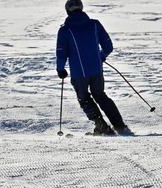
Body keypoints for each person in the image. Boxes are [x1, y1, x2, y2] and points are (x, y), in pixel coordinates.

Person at [56, 0, 133, 136]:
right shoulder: (94, 24)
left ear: (67, 11)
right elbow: (108, 46)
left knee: (84, 98)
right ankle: (120, 126)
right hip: (96, 70)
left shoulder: (65, 30)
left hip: (79, 73)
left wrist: (60, 69)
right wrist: (101, 57)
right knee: (101, 96)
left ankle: (102, 127)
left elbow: (61, 52)